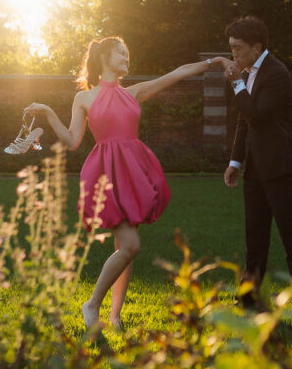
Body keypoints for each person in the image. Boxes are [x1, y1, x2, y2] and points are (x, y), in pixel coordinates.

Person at [25, 37, 228, 330]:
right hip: (106, 176)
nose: (126, 57)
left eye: (126, 53)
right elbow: (72, 141)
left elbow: (177, 73)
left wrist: (214, 62)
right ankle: (92, 304)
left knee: (125, 246)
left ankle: (115, 316)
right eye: (120, 53)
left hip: (133, 174)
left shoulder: (133, 93)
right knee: (131, 245)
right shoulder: (84, 98)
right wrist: (48, 112)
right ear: (103, 58)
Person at [221, 16, 292, 314]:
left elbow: (256, 115)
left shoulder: (277, 73)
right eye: (231, 48)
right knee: (255, 238)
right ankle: (249, 301)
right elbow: (244, 121)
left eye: (238, 48)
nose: (233, 54)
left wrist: (236, 82)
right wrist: (235, 161)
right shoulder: (248, 73)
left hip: (280, 166)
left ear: (257, 47)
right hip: (255, 169)